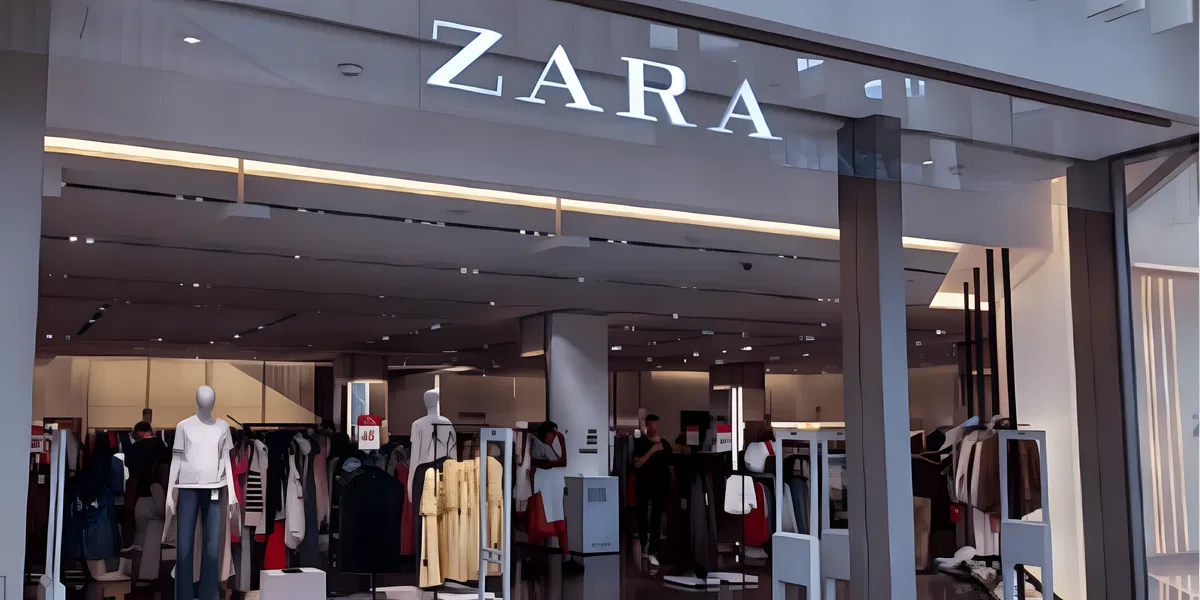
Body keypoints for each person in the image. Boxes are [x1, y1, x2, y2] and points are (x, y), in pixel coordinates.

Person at [121, 421, 168, 549]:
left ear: (140, 432)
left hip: (140, 495)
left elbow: (130, 468)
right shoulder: (160, 445)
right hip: (159, 494)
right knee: (157, 533)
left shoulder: (135, 447)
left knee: (141, 533)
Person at [633, 414, 672, 566]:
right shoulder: (641, 443)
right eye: (650, 425)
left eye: (655, 425)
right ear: (647, 426)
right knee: (642, 516)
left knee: (656, 517)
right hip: (643, 485)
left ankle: (653, 549)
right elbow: (637, 464)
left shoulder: (664, 443)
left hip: (659, 486)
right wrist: (653, 450)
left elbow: (671, 462)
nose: (653, 428)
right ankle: (644, 543)